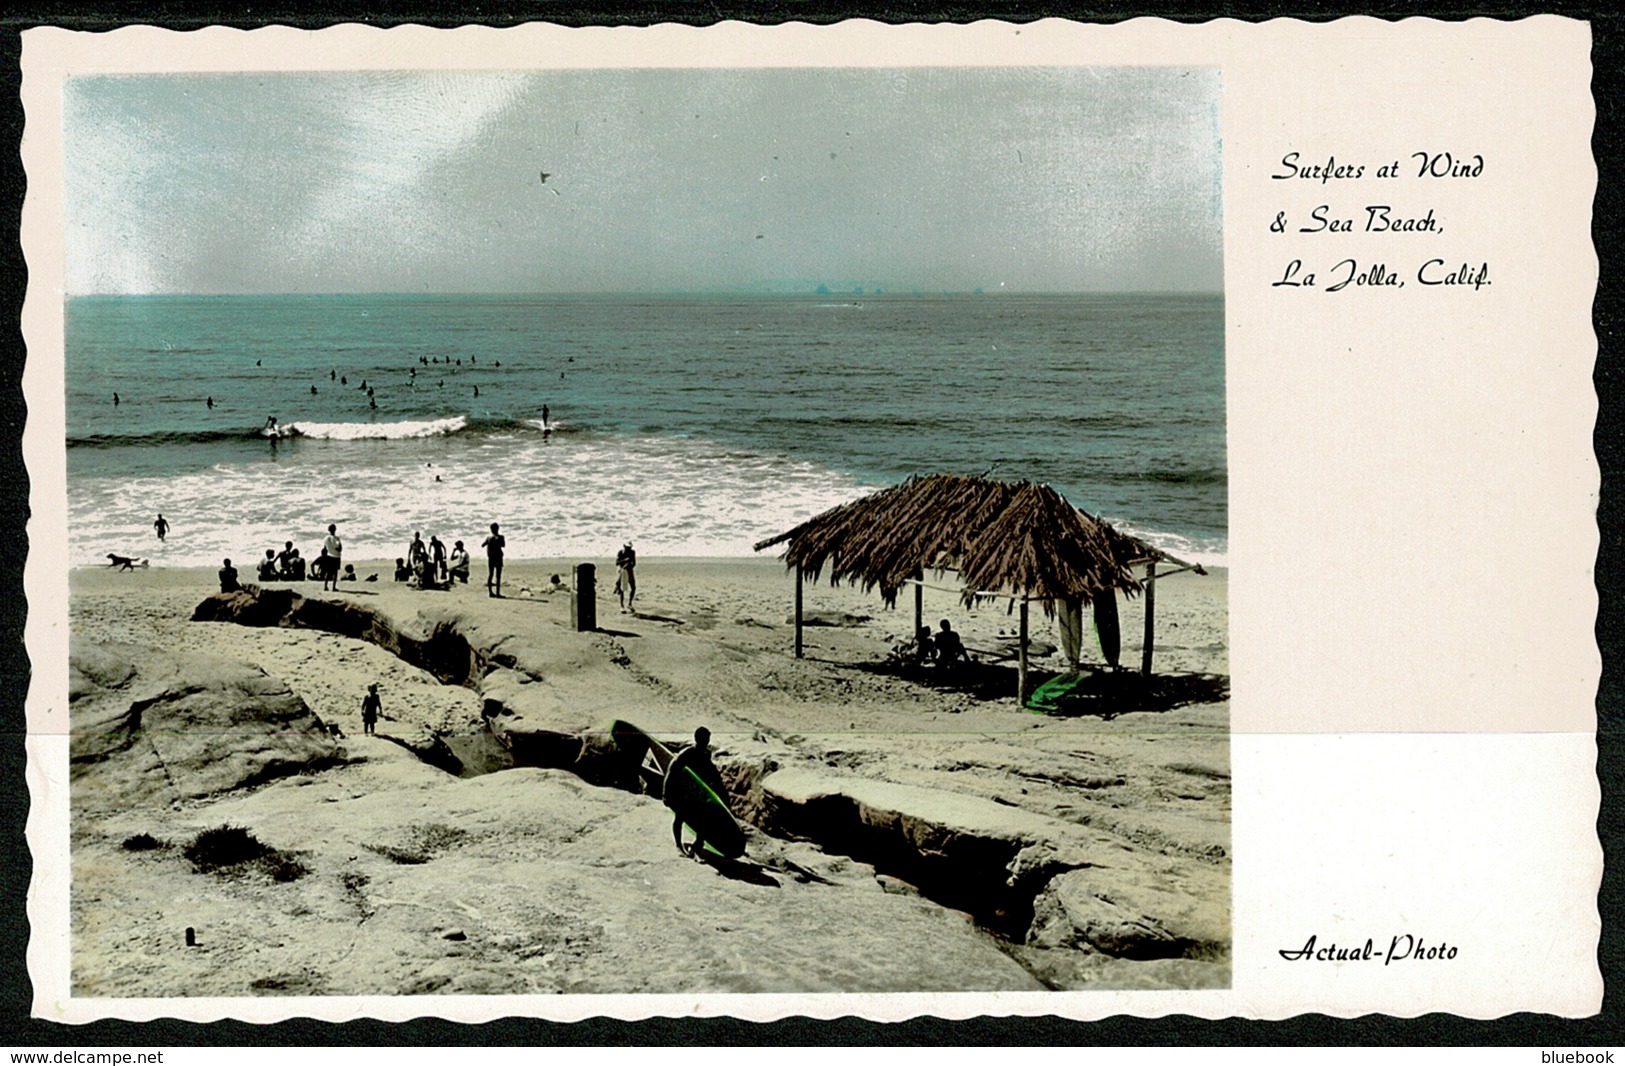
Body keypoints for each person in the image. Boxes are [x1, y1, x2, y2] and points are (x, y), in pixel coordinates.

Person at [664, 726, 729, 860]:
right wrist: (666, 793)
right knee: (680, 817)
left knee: (702, 819)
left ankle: (698, 845)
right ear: (698, 739)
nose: (707, 742)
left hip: (698, 792)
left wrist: (720, 791)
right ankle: (678, 846)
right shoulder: (687, 753)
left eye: (707, 739)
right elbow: (672, 770)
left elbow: (711, 772)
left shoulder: (705, 754)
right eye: (705, 739)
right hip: (684, 790)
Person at [482, 522, 505, 597]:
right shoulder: (501, 537)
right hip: (498, 557)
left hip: (491, 558)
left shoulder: (489, 538)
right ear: (498, 529)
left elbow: (482, 545)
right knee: (498, 576)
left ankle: (490, 592)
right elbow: (503, 545)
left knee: (490, 574)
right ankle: (498, 593)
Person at [615, 541, 637, 612]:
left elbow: (634, 563)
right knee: (622, 589)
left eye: (630, 547)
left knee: (633, 587)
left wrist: (629, 566)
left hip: (629, 570)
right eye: (627, 547)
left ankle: (630, 603)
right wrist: (624, 561)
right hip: (622, 570)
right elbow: (617, 563)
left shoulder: (632, 552)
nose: (629, 549)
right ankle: (622, 606)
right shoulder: (621, 552)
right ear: (624, 546)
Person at [322, 523, 343, 591]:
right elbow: (339, 548)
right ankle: (333, 587)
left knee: (328, 572)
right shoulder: (336, 538)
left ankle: (325, 586)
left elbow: (324, 548)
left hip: (329, 555)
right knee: (335, 572)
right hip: (336, 556)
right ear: (335, 529)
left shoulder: (325, 538)